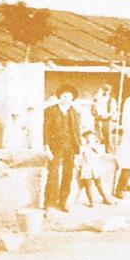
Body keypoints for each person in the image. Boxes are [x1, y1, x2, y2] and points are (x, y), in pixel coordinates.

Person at [43, 84, 81, 214]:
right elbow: (46, 130)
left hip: (70, 147)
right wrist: (47, 147)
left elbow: (77, 132)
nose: (66, 99)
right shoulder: (51, 110)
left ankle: (63, 202)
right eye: (64, 96)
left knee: (68, 174)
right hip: (55, 147)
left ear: (72, 99)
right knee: (53, 174)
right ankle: (49, 203)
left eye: (69, 97)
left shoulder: (74, 112)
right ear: (59, 97)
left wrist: (78, 152)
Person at [77, 130, 112, 207]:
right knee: (88, 185)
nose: (90, 139)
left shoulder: (97, 147)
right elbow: (79, 157)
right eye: (88, 137)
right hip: (87, 168)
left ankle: (105, 198)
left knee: (99, 184)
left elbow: (101, 154)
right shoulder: (83, 147)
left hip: (95, 168)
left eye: (92, 137)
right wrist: (79, 163)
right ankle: (91, 201)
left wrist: (93, 146)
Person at [91, 84, 118, 153]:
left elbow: (113, 111)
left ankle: (108, 150)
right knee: (98, 135)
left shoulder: (111, 100)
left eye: (107, 91)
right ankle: (99, 150)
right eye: (104, 90)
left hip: (107, 121)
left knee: (108, 136)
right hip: (98, 120)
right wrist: (97, 116)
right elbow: (93, 111)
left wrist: (109, 115)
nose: (106, 92)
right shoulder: (96, 100)